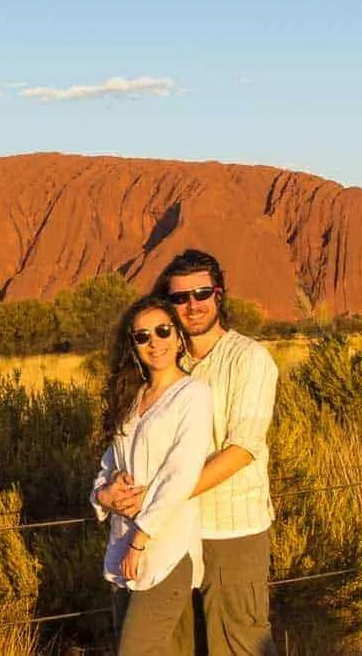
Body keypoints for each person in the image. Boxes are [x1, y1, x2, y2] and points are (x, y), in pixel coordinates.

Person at [100, 249, 279, 655]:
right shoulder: (163, 366)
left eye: (202, 293)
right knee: (178, 643)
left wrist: (161, 496)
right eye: (180, 297)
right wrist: (111, 487)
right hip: (172, 532)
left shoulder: (249, 359)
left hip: (230, 527)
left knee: (239, 640)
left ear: (219, 296)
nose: (192, 305)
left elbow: (243, 447)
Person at [91, 295, 213, 655]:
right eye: (142, 336)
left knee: (134, 650)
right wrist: (104, 495)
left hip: (164, 550)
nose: (154, 343)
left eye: (162, 331)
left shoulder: (192, 395)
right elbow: (106, 467)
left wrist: (139, 540)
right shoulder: (132, 397)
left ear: (178, 337)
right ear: (133, 345)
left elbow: (181, 475)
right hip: (121, 550)